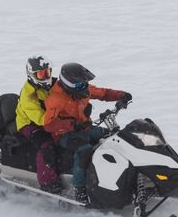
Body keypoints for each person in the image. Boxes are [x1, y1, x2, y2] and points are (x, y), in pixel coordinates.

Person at [44, 62, 132, 205]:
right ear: (69, 83)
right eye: (80, 84)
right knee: (84, 150)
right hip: (64, 135)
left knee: (113, 137)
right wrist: (72, 125)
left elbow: (103, 93)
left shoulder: (81, 89)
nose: (84, 86)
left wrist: (121, 95)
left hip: (85, 128)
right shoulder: (56, 99)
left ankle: (121, 174)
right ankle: (79, 189)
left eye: (85, 83)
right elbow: (49, 124)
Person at [15, 56, 60, 191]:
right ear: (31, 75)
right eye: (41, 74)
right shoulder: (28, 94)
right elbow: (41, 119)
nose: (45, 76)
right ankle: (47, 182)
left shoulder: (53, 84)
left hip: (50, 120)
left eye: (47, 72)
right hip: (29, 124)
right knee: (46, 145)